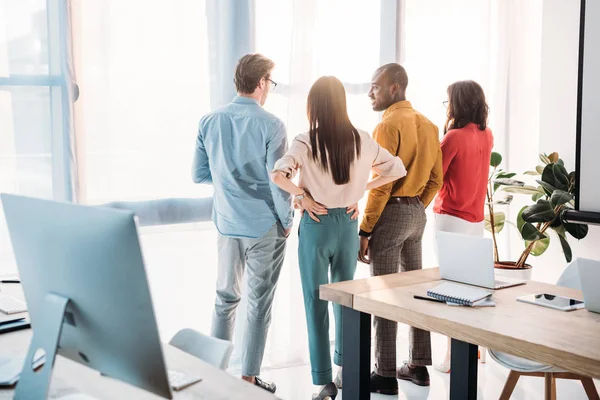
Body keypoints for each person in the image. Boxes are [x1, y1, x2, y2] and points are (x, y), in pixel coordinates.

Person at [271, 76, 406, 400]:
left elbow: (278, 175)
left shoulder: (306, 141)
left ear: (313, 106)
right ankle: (347, 370)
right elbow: (396, 169)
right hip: (347, 224)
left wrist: (301, 195)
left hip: (316, 227)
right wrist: (359, 190)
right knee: (346, 301)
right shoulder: (362, 138)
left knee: (314, 301)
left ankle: (324, 381)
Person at [192, 53, 293, 393]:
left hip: (226, 223)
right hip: (264, 225)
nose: (270, 90)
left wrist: (229, 184)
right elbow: (278, 182)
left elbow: (199, 174)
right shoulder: (272, 125)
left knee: (224, 299)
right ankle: (248, 379)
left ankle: (215, 376)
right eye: (270, 83)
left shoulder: (209, 121)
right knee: (258, 303)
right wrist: (287, 219)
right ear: (261, 82)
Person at [358, 63, 442, 394]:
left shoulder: (388, 125)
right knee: (413, 291)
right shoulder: (429, 124)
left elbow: (380, 185)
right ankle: (419, 367)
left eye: (375, 86)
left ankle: (385, 373)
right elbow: (436, 178)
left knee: (384, 295)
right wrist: (416, 204)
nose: (370, 92)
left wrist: (365, 230)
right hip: (417, 215)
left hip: (391, 214)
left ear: (395, 88)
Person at [433, 80, 494, 373]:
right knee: (471, 286)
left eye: (448, 102)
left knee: (452, 289)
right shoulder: (487, 135)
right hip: (476, 219)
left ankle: (451, 356)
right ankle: (476, 349)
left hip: (451, 217)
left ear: (457, 103)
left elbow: (436, 177)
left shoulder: (453, 137)